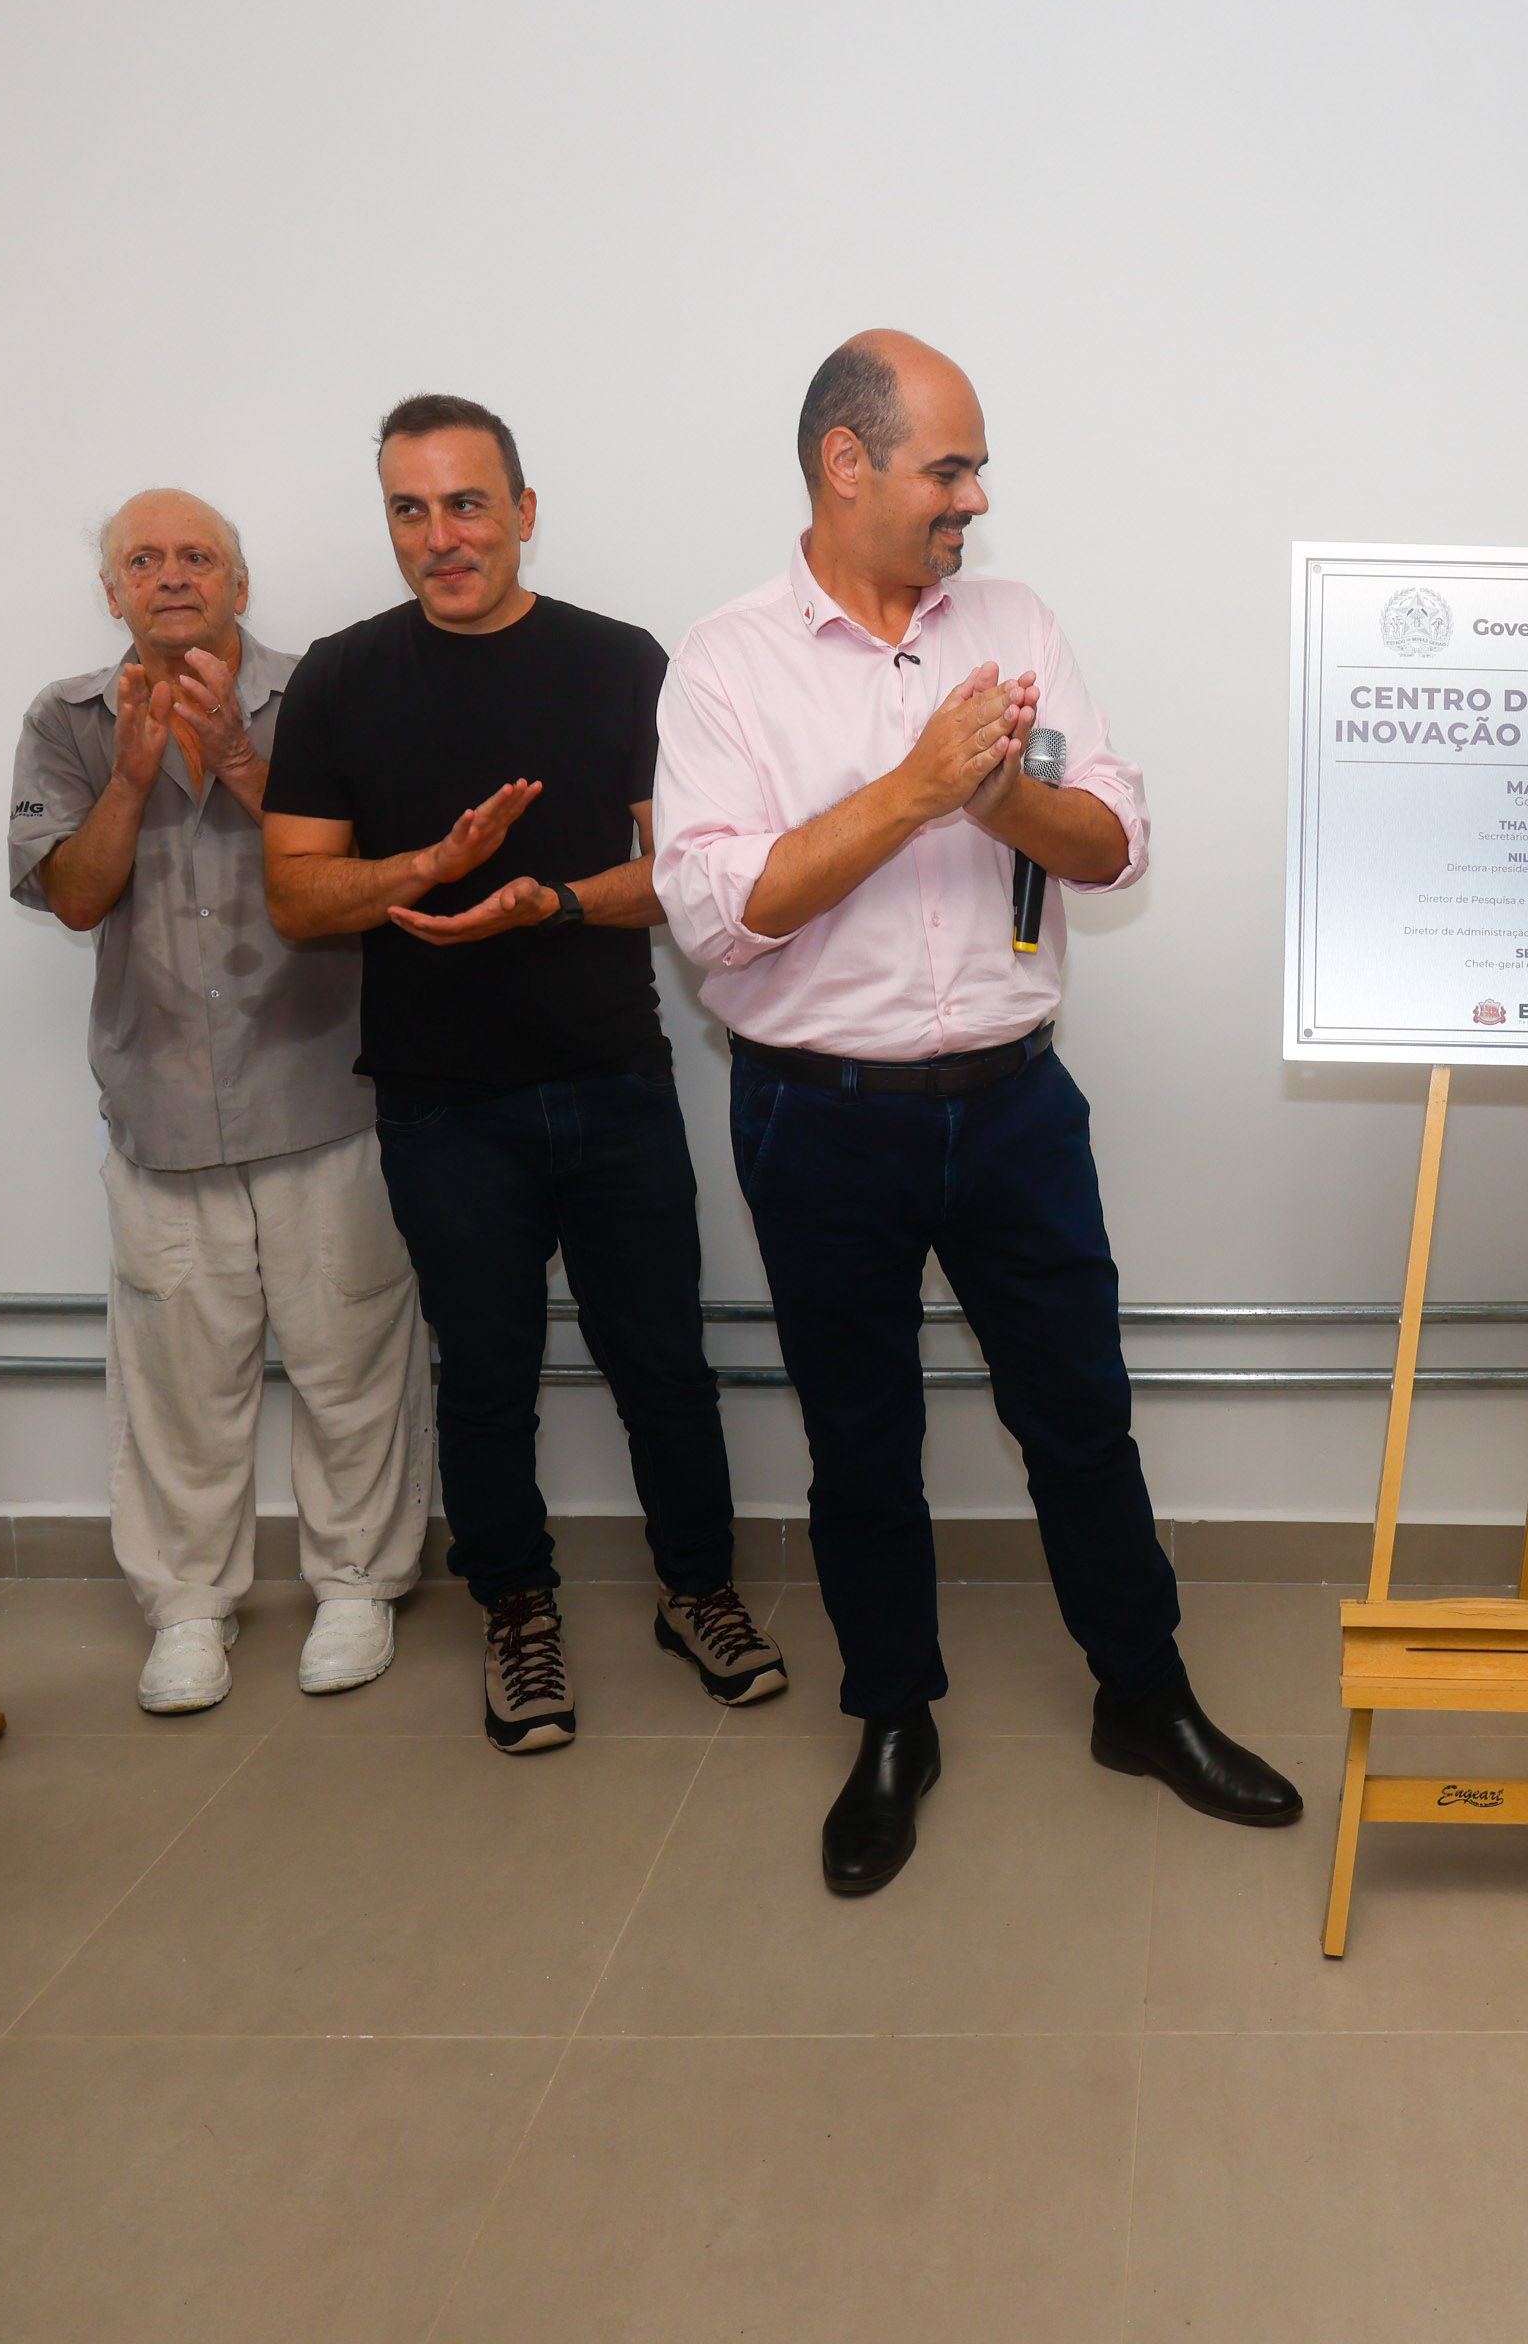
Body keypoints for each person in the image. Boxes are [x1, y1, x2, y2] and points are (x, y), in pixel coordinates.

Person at [654, 330, 1297, 1894]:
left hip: (1015, 1110)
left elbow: (1114, 842)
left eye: (977, 470)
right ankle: (894, 1725)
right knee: (862, 1446)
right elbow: (718, 916)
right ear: (846, 464)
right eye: (949, 469)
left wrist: (1005, 795)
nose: (975, 499)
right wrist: (915, 787)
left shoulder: (1016, 626)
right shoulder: (725, 662)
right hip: (818, 1121)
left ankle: (1144, 1698)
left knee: (1081, 1419)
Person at [261, 395, 780, 1753]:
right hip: (440, 1101)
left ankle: (698, 1591)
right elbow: (298, 897)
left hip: (611, 1078)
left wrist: (549, 901)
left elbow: (680, 876)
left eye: (467, 503)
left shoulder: (620, 661)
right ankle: (518, 1613)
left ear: (524, 512)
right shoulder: (340, 679)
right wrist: (428, 868)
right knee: (483, 1377)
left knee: (661, 1361)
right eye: (410, 509)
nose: (441, 536)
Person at [13, 490, 435, 1714]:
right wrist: (132, 775)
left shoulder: (326, 696)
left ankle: (357, 1586)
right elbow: (74, 898)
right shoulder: (67, 719)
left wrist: (246, 769)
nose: (172, 576)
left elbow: (376, 871)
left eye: (198, 556)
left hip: (327, 1086)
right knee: (178, 1386)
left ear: (239, 585)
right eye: (142, 560)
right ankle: (188, 1610)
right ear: (112, 594)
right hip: (161, 1106)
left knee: (353, 1358)